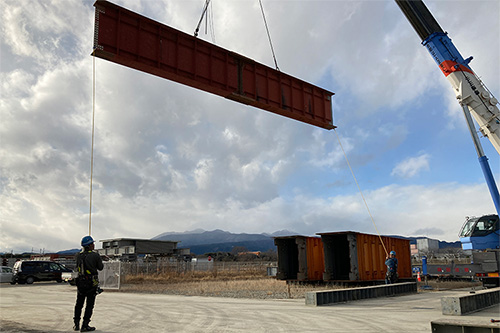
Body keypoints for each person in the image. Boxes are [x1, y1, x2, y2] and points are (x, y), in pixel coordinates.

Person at [73, 236, 103, 332]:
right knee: (89, 305)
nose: (94, 245)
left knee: (79, 304)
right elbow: (100, 267)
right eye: (92, 244)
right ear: (89, 245)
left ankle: (76, 324)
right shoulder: (95, 255)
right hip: (91, 283)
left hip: (80, 282)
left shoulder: (78, 255)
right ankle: (85, 325)